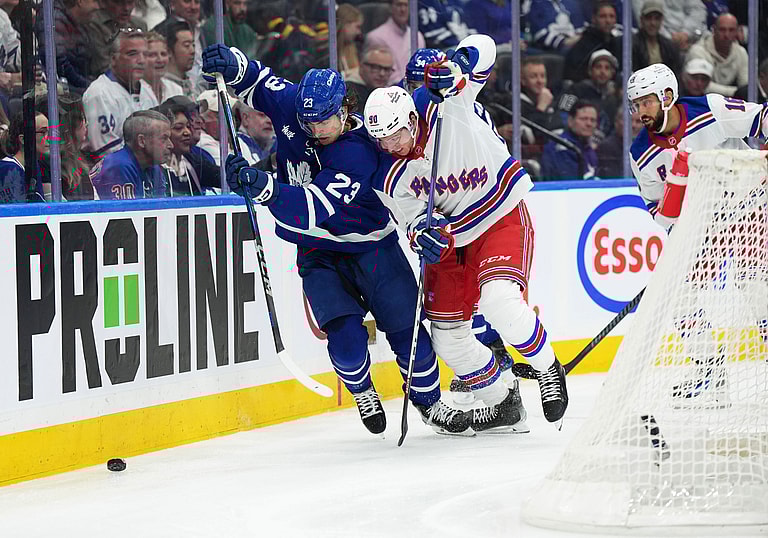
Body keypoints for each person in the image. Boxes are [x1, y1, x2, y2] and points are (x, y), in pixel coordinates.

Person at [202, 43, 477, 436]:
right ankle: (362, 389)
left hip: (373, 247)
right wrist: (232, 62)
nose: (315, 130)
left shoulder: (360, 152)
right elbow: (257, 81)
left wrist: (265, 188)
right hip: (317, 252)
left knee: (406, 330)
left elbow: (312, 208)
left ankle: (430, 403)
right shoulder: (295, 103)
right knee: (345, 338)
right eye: (308, 123)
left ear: (344, 109)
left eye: (324, 122)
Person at [364, 34, 569, 430]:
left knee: (500, 303)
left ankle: (547, 369)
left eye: (396, 135)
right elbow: (410, 219)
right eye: (382, 140)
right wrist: (423, 233)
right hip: (453, 242)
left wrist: (456, 64)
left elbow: (486, 48)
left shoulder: (450, 105)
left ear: (411, 119)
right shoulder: (386, 174)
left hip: (498, 216)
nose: (391, 145)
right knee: (448, 339)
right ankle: (503, 400)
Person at [627, 63, 768, 398]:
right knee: (678, 299)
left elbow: (761, 119)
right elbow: (660, 216)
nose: (640, 111)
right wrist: (677, 212)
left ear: (667, 96)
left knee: (754, 285)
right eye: (635, 104)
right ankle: (711, 373)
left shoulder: (710, 110)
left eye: (646, 101)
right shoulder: (640, 154)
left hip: (748, 207)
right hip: (703, 227)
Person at [82, 29, 156, 156]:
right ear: (113, 59)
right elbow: (106, 151)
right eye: (133, 54)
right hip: (110, 171)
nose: (141, 60)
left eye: (145, 54)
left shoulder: (147, 90)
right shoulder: (99, 93)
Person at [90, 109, 172, 199]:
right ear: (141, 141)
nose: (171, 145)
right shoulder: (119, 166)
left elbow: (161, 208)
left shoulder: (153, 166)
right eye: (164, 138)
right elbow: (126, 212)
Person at [156, 100, 220, 195]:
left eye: (188, 126)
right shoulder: (153, 170)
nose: (187, 132)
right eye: (178, 128)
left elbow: (225, 177)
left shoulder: (193, 162)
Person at [686, 13, 748, 97]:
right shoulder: (698, 50)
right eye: (722, 30)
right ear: (714, 30)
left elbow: (746, 84)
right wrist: (737, 92)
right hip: (701, 99)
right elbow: (701, 86)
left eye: (731, 30)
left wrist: (741, 92)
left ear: (737, 31)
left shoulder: (741, 52)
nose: (727, 35)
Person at [365, 0, 425, 85]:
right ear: (390, 8)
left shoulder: (418, 36)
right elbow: (378, 78)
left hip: (415, 90)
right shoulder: (376, 37)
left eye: (406, 5)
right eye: (399, 5)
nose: (403, 9)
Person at [563, 0, 621, 83]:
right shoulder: (583, 44)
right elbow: (571, 75)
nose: (608, 21)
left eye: (611, 16)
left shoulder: (616, 43)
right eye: (603, 16)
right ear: (594, 19)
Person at [85, 0, 147, 77]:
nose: (126, 8)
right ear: (104, 2)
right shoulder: (93, 24)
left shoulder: (139, 25)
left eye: (130, 2)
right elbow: (102, 67)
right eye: (119, 3)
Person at [541, 100, 599, 180]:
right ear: (570, 121)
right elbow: (572, 184)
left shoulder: (588, 148)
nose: (589, 124)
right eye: (584, 119)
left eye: (593, 120)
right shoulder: (561, 147)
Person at [631, 0, 682, 75]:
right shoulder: (632, 44)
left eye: (657, 18)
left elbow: (675, 74)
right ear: (641, 19)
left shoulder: (670, 46)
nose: (653, 23)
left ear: (661, 20)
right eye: (648, 18)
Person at [154, 19, 197, 98]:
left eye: (193, 45)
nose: (193, 51)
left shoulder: (193, 82)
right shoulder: (163, 89)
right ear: (169, 51)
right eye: (186, 45)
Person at [344, 45, 395, 110]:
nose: (382, 74)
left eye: (387, 69)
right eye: (376, 67)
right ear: (361, 66)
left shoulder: (391, 94)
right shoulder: (348, 91)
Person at [143, 31, 183, 105]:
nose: (160, 59)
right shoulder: (135, 91)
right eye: (152, 55)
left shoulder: (175, 89)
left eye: (163, 54)